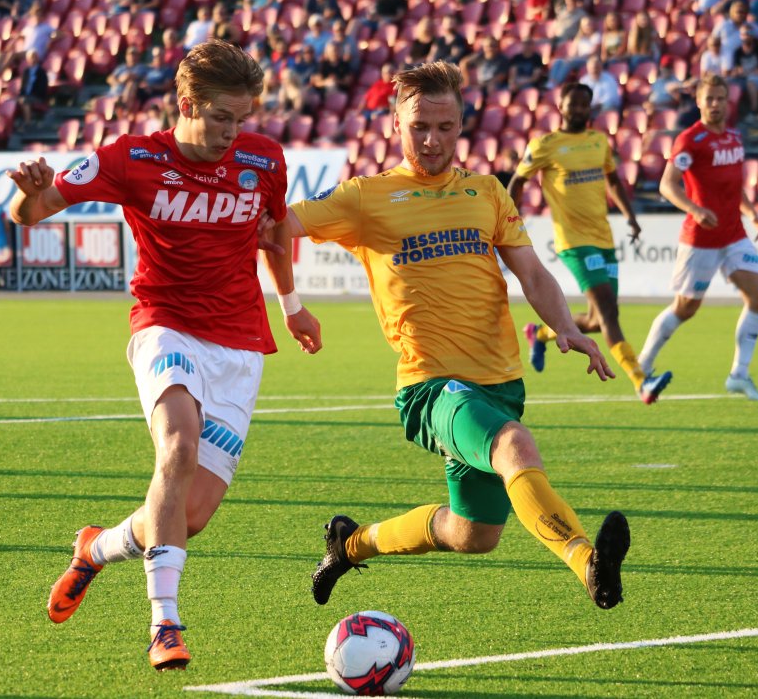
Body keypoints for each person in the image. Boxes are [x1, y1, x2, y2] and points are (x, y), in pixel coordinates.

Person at [264, 61, 630, 616]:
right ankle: (588, 564)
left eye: (444, 127)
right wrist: (291, 306)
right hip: (432, 387)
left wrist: (567, 327)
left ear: (462, 125)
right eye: (419, 127)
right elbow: (277, 228)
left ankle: (349, 543)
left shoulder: (487, 191)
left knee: (472, 532)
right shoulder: (365, 196)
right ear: (395, 124)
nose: (432, 141)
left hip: (500, 383)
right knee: (514, 445)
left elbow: (533, 273)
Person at [8, 39, 321, 671]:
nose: (232, 132)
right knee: (177, 446)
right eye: (221, 117)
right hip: (165, 326)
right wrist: (26, 195)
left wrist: (291, 307)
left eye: (242, 118)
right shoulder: (131, 158)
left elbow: (273, 237)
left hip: (239, 343)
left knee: (188, 514)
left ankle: (95, 549)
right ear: (187, 104)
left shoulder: (264, 158)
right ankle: (165, 623)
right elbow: (30, 213)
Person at [509, 83, 672, 404]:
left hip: (604, 238)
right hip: (574, 241)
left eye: (585, 104)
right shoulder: (545, 145)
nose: (579, 110)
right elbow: (517, 181)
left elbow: (614, 180)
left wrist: (630, 216)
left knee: (598, 320)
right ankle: (642, 381)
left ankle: (539, 333)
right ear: (561, 106)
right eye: (573, 104)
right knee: (610, 314)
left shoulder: (599, 142)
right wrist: (510, 220)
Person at [638, 74, 758, 401]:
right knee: (685, 308)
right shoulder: (690, 140)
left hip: (734, 234)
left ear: (728, 102)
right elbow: (667, 185)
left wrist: (751, 212)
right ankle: (643, 365)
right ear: (698, 101)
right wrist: (695, 210)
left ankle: (739, 375)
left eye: (720, 98)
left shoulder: (734, 138)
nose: (715, 104)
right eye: (709, 99)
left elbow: (733, 185)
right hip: (701, 239)